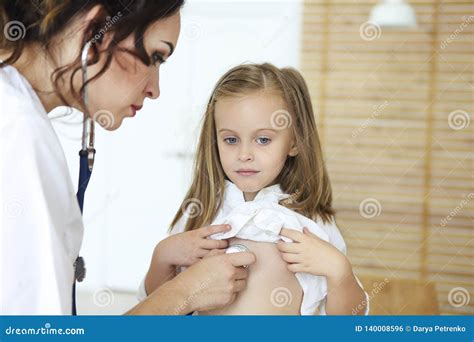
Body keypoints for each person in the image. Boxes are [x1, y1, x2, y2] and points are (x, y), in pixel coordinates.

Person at [0, 0, 255, 315]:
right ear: (96, 31)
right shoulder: (17, 133)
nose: (154, 89)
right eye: (156, 57)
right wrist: (185, 292)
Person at [140, 63, 369, 315]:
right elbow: (158, 310)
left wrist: (339, 272)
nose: (244, 154)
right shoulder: (199, 214)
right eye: (230, 139)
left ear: (293, 142)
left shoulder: (311, 222)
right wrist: (161, 257)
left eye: (263, 140)